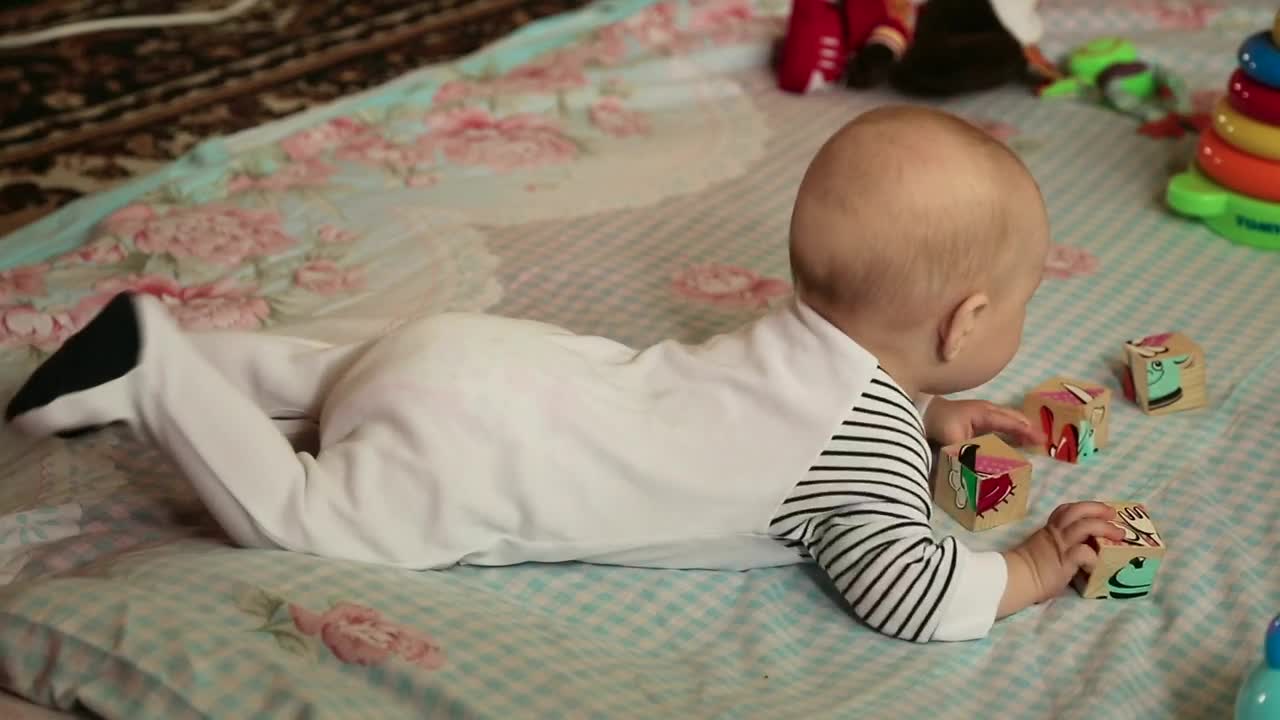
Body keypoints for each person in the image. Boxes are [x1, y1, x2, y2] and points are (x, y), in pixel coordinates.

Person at [4, 105, 1123, 644]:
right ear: (965, 318)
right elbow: (912, 592)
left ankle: (169, 366)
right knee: (306, 513)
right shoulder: (864, 458)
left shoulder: (818, 350)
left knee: (331, 372)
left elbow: (838, 400)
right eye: (1018, 300)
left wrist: (930, 412)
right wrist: (1022, 568)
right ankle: (159, 372)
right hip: (470, 461)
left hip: (471, 353)